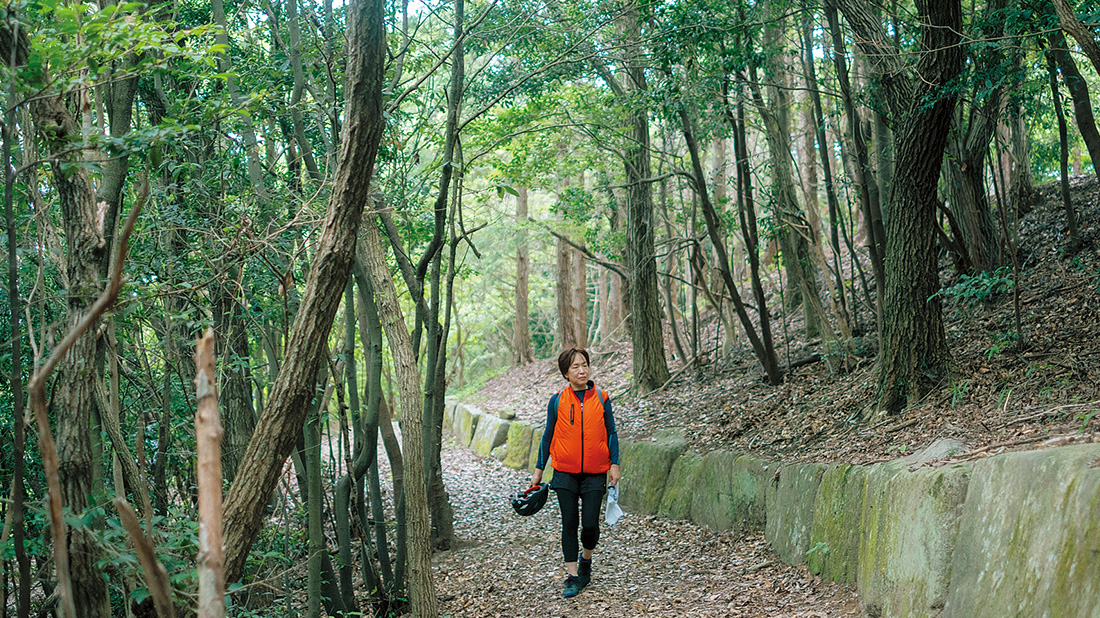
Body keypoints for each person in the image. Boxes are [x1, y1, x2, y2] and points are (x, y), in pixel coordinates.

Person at [530, 347, 621, 598]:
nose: (582, 370)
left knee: (590, 525)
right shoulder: (557, 400)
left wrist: (614, 464)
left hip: (594, 472)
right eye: (575, 367)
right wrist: (539, 470)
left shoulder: (601, 397)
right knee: (569, 522)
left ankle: (586, 559)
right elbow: (548, 435)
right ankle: (571, 576)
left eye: (585, 365)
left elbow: (611, 432)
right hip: (564, 473)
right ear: (565, 374)